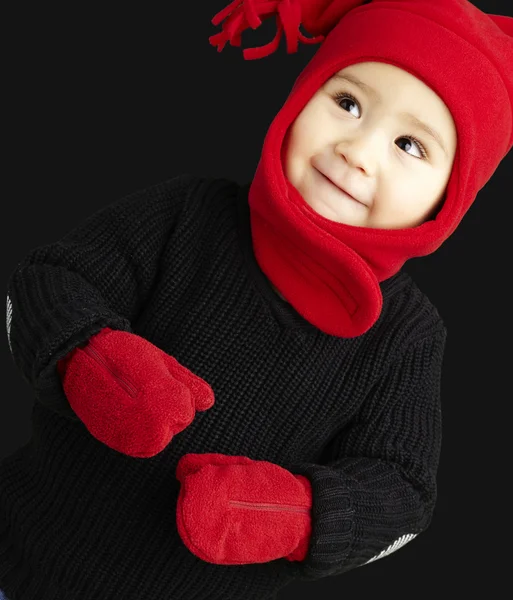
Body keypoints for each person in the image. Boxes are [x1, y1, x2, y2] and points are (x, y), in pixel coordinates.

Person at [1, 1, 512, 599]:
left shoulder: (408, 338)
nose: (357, 150)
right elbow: (48, 281)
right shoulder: (189, 214)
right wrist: (90, 360)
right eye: (347, 103)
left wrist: (296, 516)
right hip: (18, 556)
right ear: (300, 97)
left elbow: (402, 493)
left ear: (448, 202)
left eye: (410, 145)